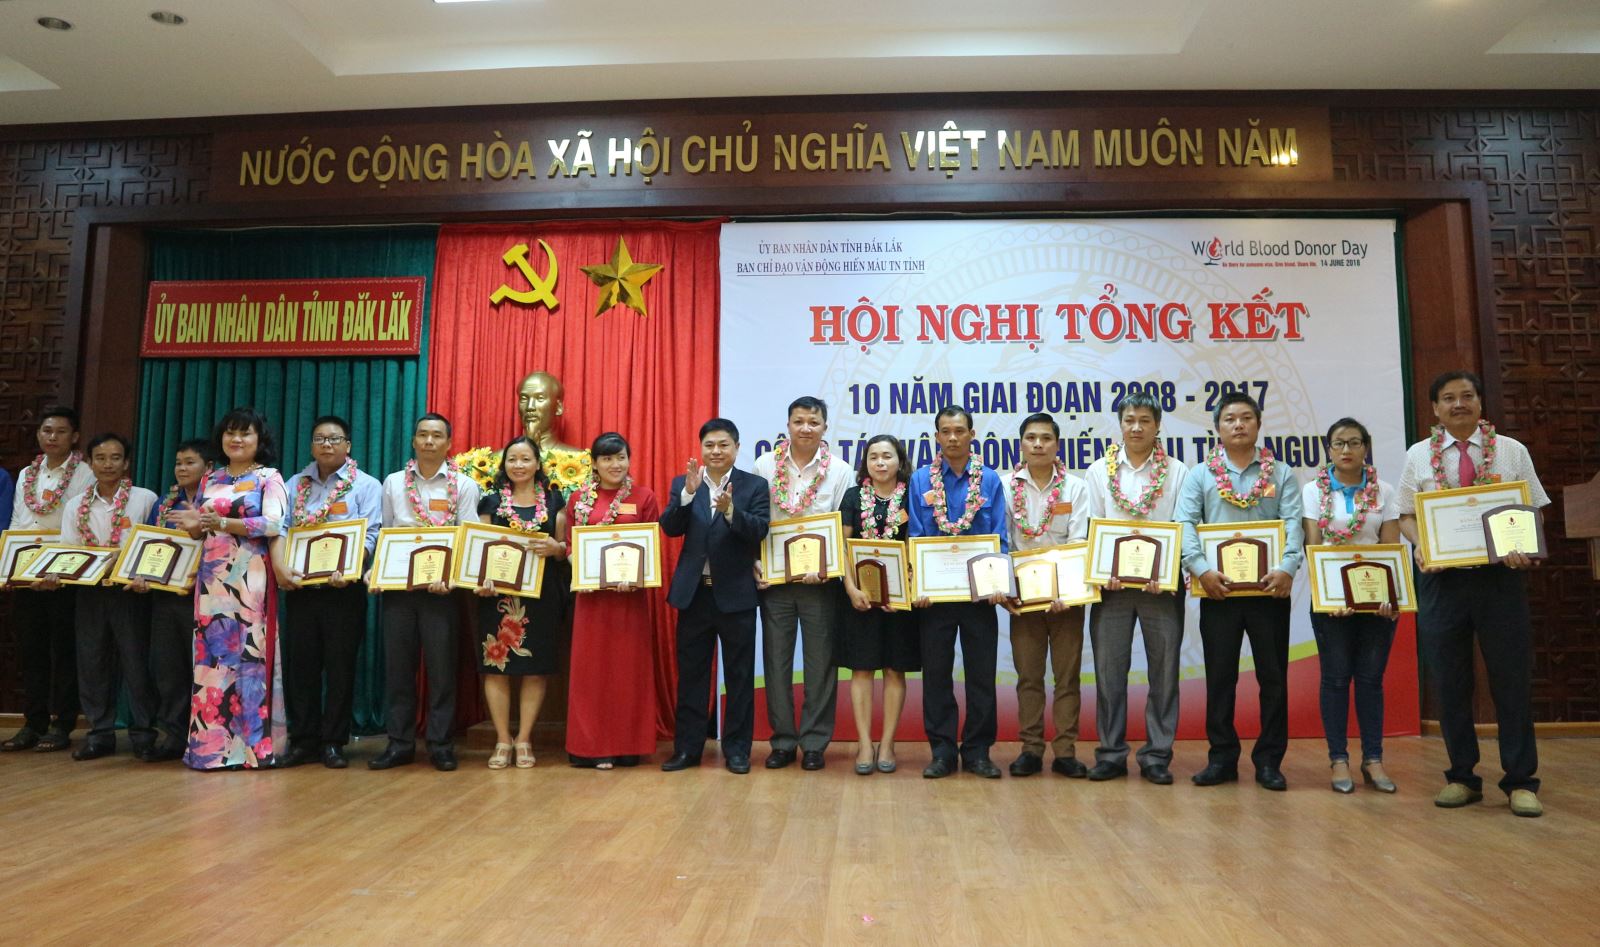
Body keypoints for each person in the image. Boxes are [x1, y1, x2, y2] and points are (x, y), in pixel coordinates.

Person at [1397, 370, 1549, 818]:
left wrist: (1524, 546)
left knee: (1511, 680)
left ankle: (1520, 781)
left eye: (1467, 396)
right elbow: (1406, 515)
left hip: (1499, 580)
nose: (1458, 404)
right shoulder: (1418, 455)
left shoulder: (1511, 450)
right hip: (1442, 580)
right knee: (1450, 681)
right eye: (1448, 398)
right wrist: (1420, 545)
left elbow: (1534, 508)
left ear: (1481, 403)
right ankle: (1462, 776)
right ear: (1435, 409)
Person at [1176, 391, 1303, 791]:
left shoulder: (1281, 473)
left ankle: (1269, 762)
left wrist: (1287, 568)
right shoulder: (1200, 475)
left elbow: (1294, 523)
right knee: (1220, 678)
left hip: (1269, 593)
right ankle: (1222, 758)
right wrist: (1201, 570)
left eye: (1246, 417)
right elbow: (1185, 524)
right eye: (1230, 419)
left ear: (1258, 424)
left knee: (1273, 679)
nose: (1238, 425)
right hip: (1219, 593)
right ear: (1217, 428)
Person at [166, 407, 289, 770]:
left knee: (248, 657)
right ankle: (211, 748)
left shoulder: (269, 477)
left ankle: (251, 749)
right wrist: (194, 525)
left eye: (245, 433)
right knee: (212, 659)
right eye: (230, 433)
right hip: (212, 577)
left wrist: (219, 521)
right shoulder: (211, 478)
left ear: (259, 440)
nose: (237, 439)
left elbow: (272, 524)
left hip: (249, 575)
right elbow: (201, 529)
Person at [1083, 393, 1189, 785]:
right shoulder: (1099, 471)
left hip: (1161, 588)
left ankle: (1157, 755)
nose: (1137, 427)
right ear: (1120, 424)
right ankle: (1111, 754)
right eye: (1129, 420)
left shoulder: (1177, 471)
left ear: (1158, 425)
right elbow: (1093, 527)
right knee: (1109, 672)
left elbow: (1182, 525)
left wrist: (1167, 571)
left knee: (1164, 671)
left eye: (1145, 420)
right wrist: (1101, 570)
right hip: (1112, 588)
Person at [369, 413, 482, 772]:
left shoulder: (465, 485)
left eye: (436, 436)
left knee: (442, 669)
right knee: (398, 669)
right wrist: (377, 571)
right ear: (413, 441)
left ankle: (441, 744)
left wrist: (454, 577)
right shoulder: (393, 483)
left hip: (442, 590)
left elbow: (467, 537)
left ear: (449, 443)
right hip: (399, 588)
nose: (429, 441)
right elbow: (386, 531)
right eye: (422, 435)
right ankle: (399, 743)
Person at [659, 419, 770, 774]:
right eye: (710, 445)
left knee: (739, 676)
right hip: (694, 595)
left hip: (736, 595)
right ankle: (687, 750)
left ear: (737, 447)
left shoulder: (754, 485)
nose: (716, 451)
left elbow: (760, 529)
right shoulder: (685, 482)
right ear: (701, 448)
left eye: (723, 445)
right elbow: (670, 527)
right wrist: (687, 496)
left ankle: (737, 751)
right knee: (692, 676)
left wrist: (731, 511)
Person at [272, 416, 382, 770]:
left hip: (343, 590)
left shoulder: (366, 485)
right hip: (301, 589)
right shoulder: (294, 484)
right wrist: (282, 568)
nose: (327, 445)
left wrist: (352, 565)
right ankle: (303, 740)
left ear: (348, 445)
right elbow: (282, 529)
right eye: (320, 438)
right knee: (301, 667)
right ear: (311, 446)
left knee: (340, 667)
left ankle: (333, 742)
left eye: (334, 439)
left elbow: (372, 533)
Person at [907, 406, 1010, 780]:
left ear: (972, 434)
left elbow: (999, 536)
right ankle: (942, 752)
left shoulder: (990, 479)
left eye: (959, 431)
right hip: (935, 598)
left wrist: (998, 583)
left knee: (981, 675)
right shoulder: (921, 479)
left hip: (979, 596)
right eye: (945, 431)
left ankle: (979, 751)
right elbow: (916, 535)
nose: (952, 437)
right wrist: (919, 584)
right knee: (936, 676)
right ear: (936, 437)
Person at [753, 396, 853, 771]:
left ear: (825, 427)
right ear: (788, 426)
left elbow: (843, 529)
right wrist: (755, 562)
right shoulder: (764, 465)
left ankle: (814, 743)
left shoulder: (840, 471)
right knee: (776, 663)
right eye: (799, 421)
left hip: (821, 583)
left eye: (813, 422)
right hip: (775, 582)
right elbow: (755, 520)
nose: (806, 428)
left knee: (820, 665)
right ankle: (782, 741)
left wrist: (830, 566)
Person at [1303, 417, 1401, 794]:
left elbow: (1390, 548)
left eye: (1355, 443)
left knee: (1371, 680)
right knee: (1335, 679)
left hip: (1375, 601)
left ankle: (1373, 759)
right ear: (1328, 449)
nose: (1346, 450)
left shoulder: (1384, 491)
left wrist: (1389, 597)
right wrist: (1330, 597)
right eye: (1339, 443)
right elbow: (1314, 548)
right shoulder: (1313, 491)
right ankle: (1339, 759)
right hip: (1331, 602)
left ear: (1366, 448)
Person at [49, 433, 158, 760]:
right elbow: (69, 550)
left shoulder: (144, 499)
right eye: (100, 458)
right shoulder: (75, 505)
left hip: (131, 593)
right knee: (92, 663)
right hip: (89, 593)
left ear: (126, 463)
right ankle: (100, 734)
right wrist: (56, 572)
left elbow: (155, 546)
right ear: (90, 462)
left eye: (115, 458)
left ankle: (144, 734)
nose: (107, 464)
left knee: (137, 663)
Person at [1002, 413, 1090, 778]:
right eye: (1031, 438)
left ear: (1057, 444)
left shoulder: (1076, 488)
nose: (1038, 444)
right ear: (1021, 444)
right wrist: (1007, 589)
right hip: (1024, 599)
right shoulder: (1005, 486)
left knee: (1067, 678)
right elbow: (1003, 542)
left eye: (1046, 438)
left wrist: (1066, 589)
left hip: (1066, 599)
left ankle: (1066, 751)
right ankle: (1031, 749)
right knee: (1029, 676)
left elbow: (1079, 540)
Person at [565, 432, 661, 770]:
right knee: (591, 673)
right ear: (594, 463)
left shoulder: (644, 497)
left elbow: (650, 546)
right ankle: (590, 746)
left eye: (620, 457)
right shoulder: (579, 499)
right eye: (607, 458)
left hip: (629, 600)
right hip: (592, 602)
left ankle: (628, 743)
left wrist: (635, 576)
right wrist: (579, 565)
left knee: (627, 671)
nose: (615, 464)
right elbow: (570, 544)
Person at [1, 407, 93, 753]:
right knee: (32, 651)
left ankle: (63, 723)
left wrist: (61, 568)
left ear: (75, 437)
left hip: (62, 573)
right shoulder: (28, 472)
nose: (52, 437)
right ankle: (33, 722)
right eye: (47, 430)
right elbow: (18, 521)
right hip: (27, 572)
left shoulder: (84, 472)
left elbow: (79, 524)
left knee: (64, 651)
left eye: (60, 431)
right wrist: (11, 567)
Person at [474, 436, 567, 770]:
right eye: (512, 459)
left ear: (538, 463)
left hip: (542, 595)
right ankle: (502, 739)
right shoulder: (490, 501)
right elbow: (479, 548)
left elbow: (565, 548)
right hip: (497, 597)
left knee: (536, 668)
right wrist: (481, 579)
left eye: (526, 459)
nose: (518, 465)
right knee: (496, 666)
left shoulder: (555, 500)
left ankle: (524, 738)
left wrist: (556, 549)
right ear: (504, 465)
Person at [837, 434, 920, 775]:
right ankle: (864, 743)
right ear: (866, 463)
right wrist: (850, 589)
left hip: (899, 603)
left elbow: (918, 545)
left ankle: (887, 743)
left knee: (894, 669)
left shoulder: (913, 495)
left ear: (900, 461)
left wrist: (906, 591)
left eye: (887, 456)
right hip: (860, 597)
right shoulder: (853, 496)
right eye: (874, 457)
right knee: (861, 669)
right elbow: (842, 548)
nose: (880, 462)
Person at [138, 438, 210, 761]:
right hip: (167, 598)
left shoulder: (218, 501)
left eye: (190, 462)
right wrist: (141, 575)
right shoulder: (164, 504)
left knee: (204, 669)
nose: (182, 468)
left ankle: (205, 735)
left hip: (206, 596)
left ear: (209, 467)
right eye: (178, 462)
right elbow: (151, 546)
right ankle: (174, 736)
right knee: (169, 668)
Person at [518, 370, 592, 495]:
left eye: (540, 398)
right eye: (524, 399)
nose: (530, 407)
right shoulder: (494, 461)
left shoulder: (581, 461)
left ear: (558, 407)